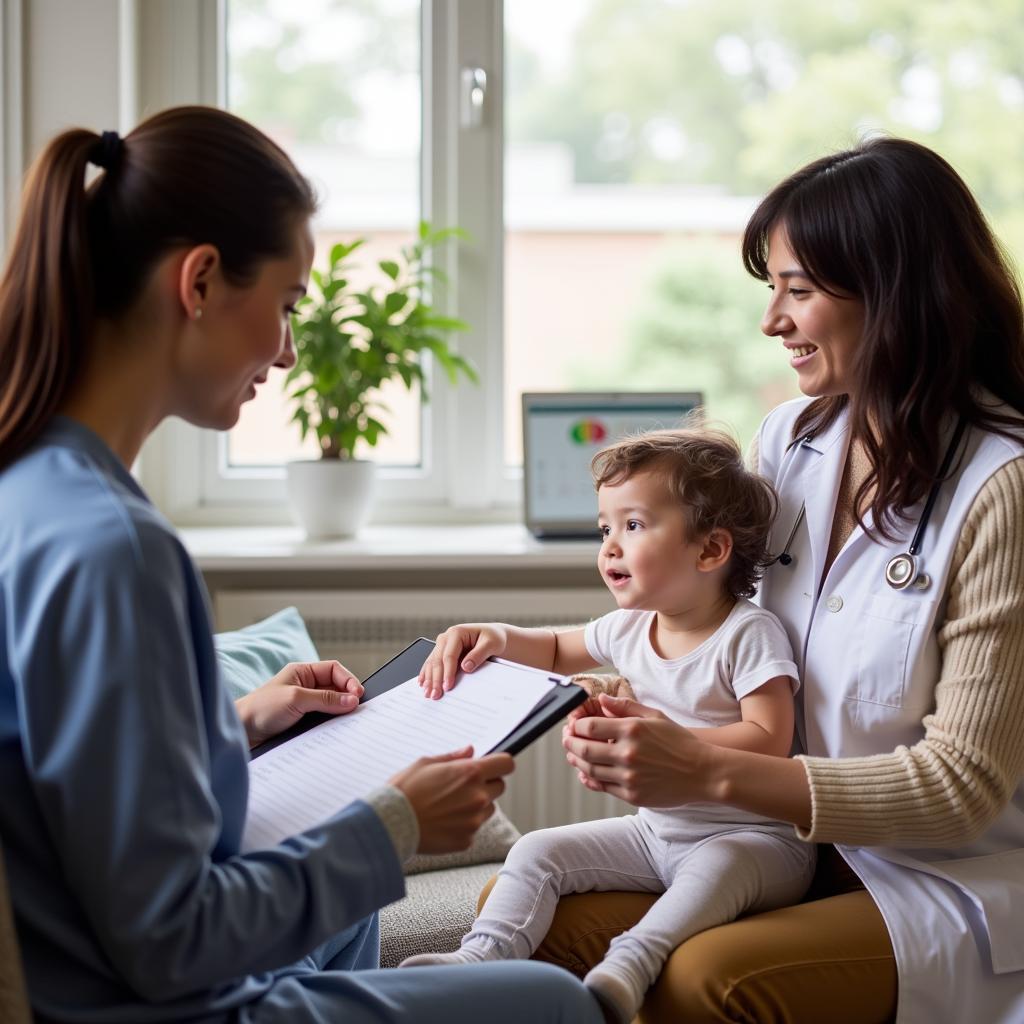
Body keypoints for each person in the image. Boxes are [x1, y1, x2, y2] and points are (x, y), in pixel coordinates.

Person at [0, 107, 604, 1024]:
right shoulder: (113, 548)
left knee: (352, 903)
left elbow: (70, 771)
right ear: (199, 281)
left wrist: (239, 722)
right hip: (159, 1002)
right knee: (556, 1002)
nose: (286, 351)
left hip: (99, 959)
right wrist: (396, 823)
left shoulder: (32, 487)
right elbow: (168, 940)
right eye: (284, 307)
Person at [537, 137, 1024, 1024]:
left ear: (896, 295)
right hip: (782, 843)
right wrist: (642, 708)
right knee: (548, 921)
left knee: (707, 977)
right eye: (776, 290)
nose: (773, 320)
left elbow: (960, 790)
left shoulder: (1002, 487)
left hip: (944, 877)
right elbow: (726, 636)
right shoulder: (788, 443)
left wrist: (705, 773)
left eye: (798, 290)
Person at [402, 427, 816, 1023]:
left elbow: (770, 740)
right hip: (657, 835)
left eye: (634, 525)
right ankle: (480, 959)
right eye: (605, 529)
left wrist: (672, 741)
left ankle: (630, 964)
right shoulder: (630, 626)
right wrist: (495, 636)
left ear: (709, 550)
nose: (610, 548)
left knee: (717, 869)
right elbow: (550, 648)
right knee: (539, 849)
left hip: (757, 841)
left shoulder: (748, 633)